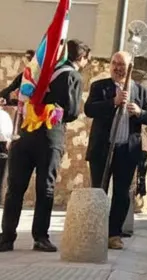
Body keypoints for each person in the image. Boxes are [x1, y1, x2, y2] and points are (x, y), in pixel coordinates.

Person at [0, 41, 89, 252]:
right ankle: (40, 237)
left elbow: (6, 96)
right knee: (45, 189)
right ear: (82, 58)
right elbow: (72, 112)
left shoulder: (34, 73)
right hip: (50, 138)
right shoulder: (72, 76)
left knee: (15, 188)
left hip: (24, 134)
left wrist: (20, 101)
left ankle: (6, 237)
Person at [85, 51, 147, 250]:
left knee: (122, 193)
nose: (117, 68)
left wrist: (140, 112)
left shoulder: (142, 92)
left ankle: (114, 234)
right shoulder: (99, 86)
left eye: (122, 64)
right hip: (102, 149)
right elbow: (89, 109)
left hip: (127, 151)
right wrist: (113, 102)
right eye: (114, 63)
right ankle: (95, 232)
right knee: (98, 191)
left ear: (130, 67)